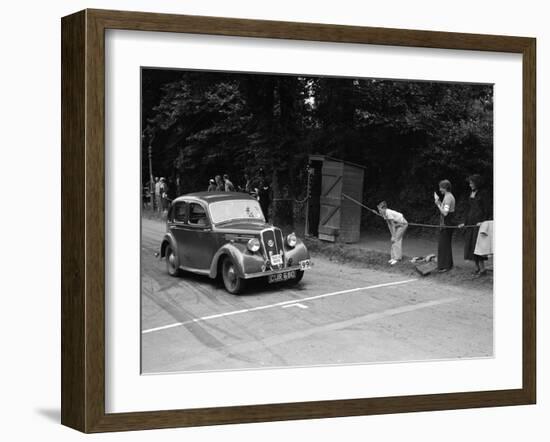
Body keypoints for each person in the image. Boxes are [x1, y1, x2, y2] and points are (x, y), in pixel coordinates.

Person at [459, 174, 491, 276]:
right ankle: (477, 268)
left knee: (478, 246)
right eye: (469, 183)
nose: (470, 185)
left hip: (479, 223)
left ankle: (483, 270)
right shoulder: (471, 193)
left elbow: (487, 210)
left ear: (477, 183)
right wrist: (465, 222)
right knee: (471, 245)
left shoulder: (484, 194)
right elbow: (469, 209)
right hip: (471, 223)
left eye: (471, 183)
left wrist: (483, 222)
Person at [434, 179, 456, 272]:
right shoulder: (448, 196)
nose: (440, 190)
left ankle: (446, 266)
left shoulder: (448, 197)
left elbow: (445, 213)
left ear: (445, 188)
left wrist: (437, 204)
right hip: (446, 223)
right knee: (444, 244)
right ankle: (446, 265)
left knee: (444, 244)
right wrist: (438, 201)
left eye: (441, 188)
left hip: (447, 223)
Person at [377, 201, 408, 265]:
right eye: (379, 210)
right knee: (393, 240)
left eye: (380, 210)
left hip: (402, 224)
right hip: (397, 224)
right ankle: (393, 257)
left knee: (396, 240)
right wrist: (392, 235)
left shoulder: (388, 213)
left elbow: (393, 225)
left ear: (384, 208)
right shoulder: (384, 214)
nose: (379, 212)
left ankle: (397, 258)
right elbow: (389, 224)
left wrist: (394, 236)